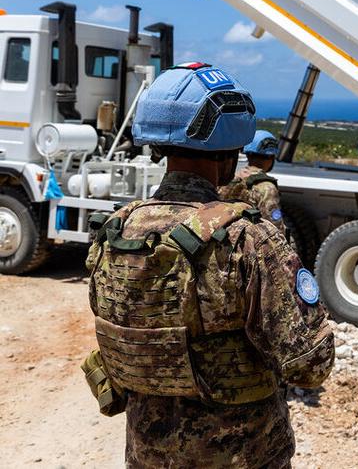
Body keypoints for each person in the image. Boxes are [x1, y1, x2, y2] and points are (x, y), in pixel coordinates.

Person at [81, 62, 334, 468]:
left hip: (148, 457)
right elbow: (310, 365)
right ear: (229, 149)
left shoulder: (115, 231)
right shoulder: (248, 240)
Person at [219, 130, 285, 234]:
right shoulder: (267, 187)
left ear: (248, 155)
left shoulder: (230, 179)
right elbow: (276, 226)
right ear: (272, 157)